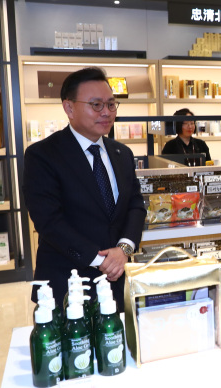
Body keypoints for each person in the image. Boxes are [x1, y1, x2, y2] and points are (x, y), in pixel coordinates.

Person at [23, 67, 146, 311]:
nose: (107, 113)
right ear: (69, 108)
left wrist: (122, 251)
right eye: (96, 105)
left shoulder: (122, 153)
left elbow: (136, 205)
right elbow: (49, 222)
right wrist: (102, 260)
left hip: (115, 286)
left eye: (111, 105)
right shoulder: (42, 155)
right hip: (65, 286)